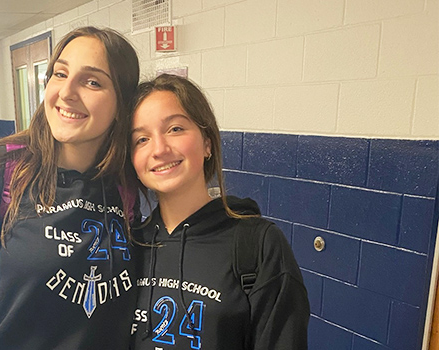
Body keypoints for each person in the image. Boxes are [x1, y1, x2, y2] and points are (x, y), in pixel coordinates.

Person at [0, 26, 142, 349]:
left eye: (92, 81)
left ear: (122, 103)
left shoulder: (125, 187)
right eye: (60, 74)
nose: (67, 92)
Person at [126, 74, 309, 349]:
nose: (159, 149)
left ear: (207, 142)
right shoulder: (130, 244)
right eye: (142, 139)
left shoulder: (257, 247)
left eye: (175, 129)